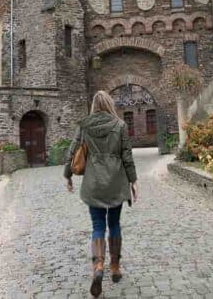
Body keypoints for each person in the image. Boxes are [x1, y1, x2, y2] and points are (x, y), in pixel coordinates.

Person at [64, 91, 138, 298]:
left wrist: (67, 175)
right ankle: (115, 267)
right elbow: (127, 156)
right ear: (110, 104)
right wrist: (133, 181)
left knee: (98, 225)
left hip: (94, 183)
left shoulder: (84, 125)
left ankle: (98, 267)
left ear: (94, 106)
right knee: (114, 224)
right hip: (116, 182)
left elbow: (72, 152)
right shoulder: (120, 125)